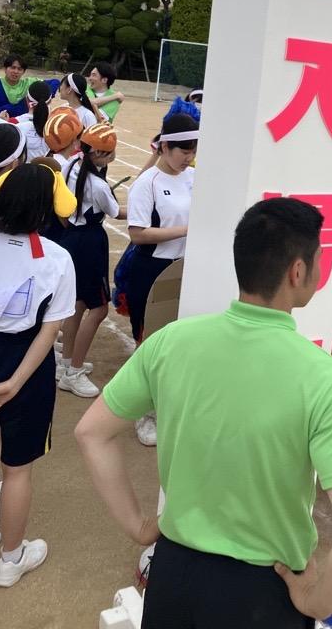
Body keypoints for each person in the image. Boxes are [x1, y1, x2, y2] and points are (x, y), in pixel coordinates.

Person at [75, 197, 332, 627]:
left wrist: (139, 526)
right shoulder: (326, 379)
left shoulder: (170, 342)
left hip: (173, 576)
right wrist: (315, 603)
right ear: (297, 271)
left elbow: (91, 432)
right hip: (263, 592)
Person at [0, 161, 76, 587]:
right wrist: (15, 382)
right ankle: (11, 559)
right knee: (17, 469)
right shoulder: (57, 259)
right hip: (26, 365)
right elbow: (50, 330)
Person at [119, 113, 197, 445]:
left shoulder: (194, 177)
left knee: (181, 342)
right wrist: (187, 230)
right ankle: (146, 413)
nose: (188, 157)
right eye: (183, 151)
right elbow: (138, 234)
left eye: (192, 150)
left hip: (187, 268)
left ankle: (169, 405)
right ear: (164, 147)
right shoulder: (147, 183)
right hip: (152, 270)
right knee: (149, 343)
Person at [56, 123, 126, 399]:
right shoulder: (98, 185)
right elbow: (116, 212)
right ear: (97, 153)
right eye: (110, 152)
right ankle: (73, 372)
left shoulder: (71, 164)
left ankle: (66, 364)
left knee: (77, 304)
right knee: (98, 309)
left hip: (71, 238)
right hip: (90, 244)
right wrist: (145, 208)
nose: (113, 156)